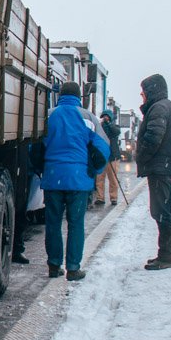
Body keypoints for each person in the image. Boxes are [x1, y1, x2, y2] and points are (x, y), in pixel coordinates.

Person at [42, 81, 109, 281]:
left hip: (53, 177)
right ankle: (73, 268)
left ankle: (54, 266)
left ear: (61, 95)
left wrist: (40, 169)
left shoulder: (49, 115)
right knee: (76, 224)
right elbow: (103, 148)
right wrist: (93, 170)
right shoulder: (88, 117)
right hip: (79, 180)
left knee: (52, 224)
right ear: (79, 97)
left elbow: (35, 146)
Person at [136, 73, 171, 270]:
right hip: (164, 166)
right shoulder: (164, 106)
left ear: (152, 90)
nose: (142, 96)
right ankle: (168, 252)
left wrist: (141, 156)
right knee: (165, 209)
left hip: (160, 167)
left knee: (161, 211)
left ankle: (166, 256)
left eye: (144, 92)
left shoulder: (159, 108)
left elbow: (153, 137)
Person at [93, 109, 122, 206]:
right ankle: (100, 197)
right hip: (102, 156)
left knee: (113, 178)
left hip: (113, 157)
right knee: (99, 178)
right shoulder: (100, 127)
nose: (105, 118)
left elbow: (116, 132)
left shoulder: (114, 126)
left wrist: (109, 123)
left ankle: (113, 197)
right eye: (104, 116)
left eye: (107, 116)